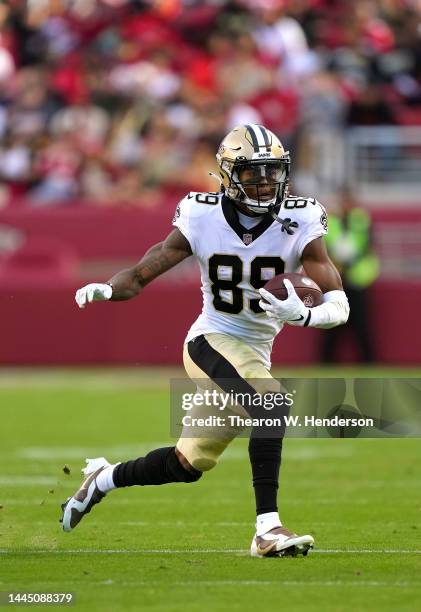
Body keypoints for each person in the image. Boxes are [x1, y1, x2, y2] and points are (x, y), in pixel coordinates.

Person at [61, 124, 349, 558]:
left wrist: (305, 314)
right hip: (211, 339)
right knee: (270, 404)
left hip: (253, 353)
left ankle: (102, 479)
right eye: (254, 172)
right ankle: (267, 530)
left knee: (186, 464)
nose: (266, 181)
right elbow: (142, 273)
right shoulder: (201, 213)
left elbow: (339, 305)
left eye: (273, 171)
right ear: (229, 174)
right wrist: (108, 287)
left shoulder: (302, 217)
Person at [322, 192, 379, 363]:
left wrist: (351, 257)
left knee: (361, 322)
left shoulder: (361, 219)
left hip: (357, 278)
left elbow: (369, 244)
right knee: (332, 322)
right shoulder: (330, 221)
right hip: (337, 279)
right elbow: (324, 247)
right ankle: (326, 362)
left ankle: (368, 361)